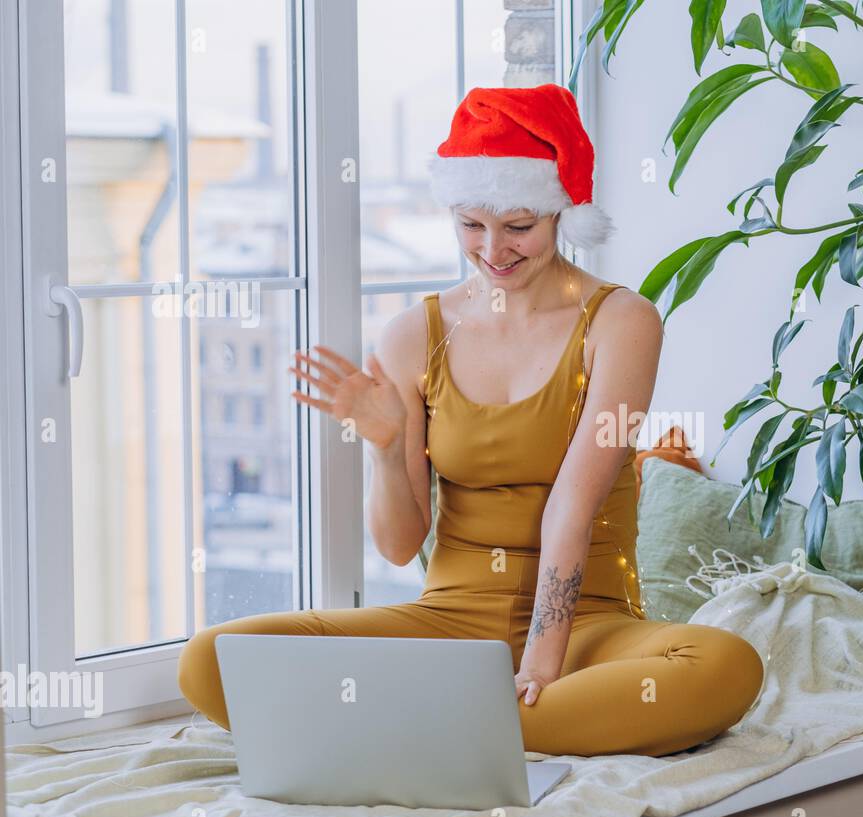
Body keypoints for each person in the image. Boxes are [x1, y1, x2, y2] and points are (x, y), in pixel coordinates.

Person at [177, 83, 764, 758]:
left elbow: (571, 508)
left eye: (519, 225)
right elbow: (400, 547)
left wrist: (541, 665)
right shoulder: (412, 335)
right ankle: (473, 732)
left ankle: (412, 733)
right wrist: (386, 445)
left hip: (585, 632)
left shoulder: (621, 322)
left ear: (560, 211)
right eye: (471, 225)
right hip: (449, 627)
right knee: (212, 659)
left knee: (725, 666)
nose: (494, 250)